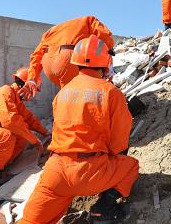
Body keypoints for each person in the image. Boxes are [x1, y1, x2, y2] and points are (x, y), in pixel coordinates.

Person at [19, 35, 139, 224]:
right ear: (105, 63)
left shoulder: (63, 92)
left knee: (30, 220)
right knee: (130, 165)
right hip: (90, 172)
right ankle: (104, 209)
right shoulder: (110, 92)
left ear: (75, 62)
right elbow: (119, 142)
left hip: (55, 172)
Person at [18, 16, 114, 101]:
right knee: (81, 97)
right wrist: (108, 64)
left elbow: (37, 55)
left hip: (48, 62)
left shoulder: (51, 31)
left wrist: (32, 79)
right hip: (67, 58)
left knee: (68, 97)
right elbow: (104, 38)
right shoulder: (90, 20)